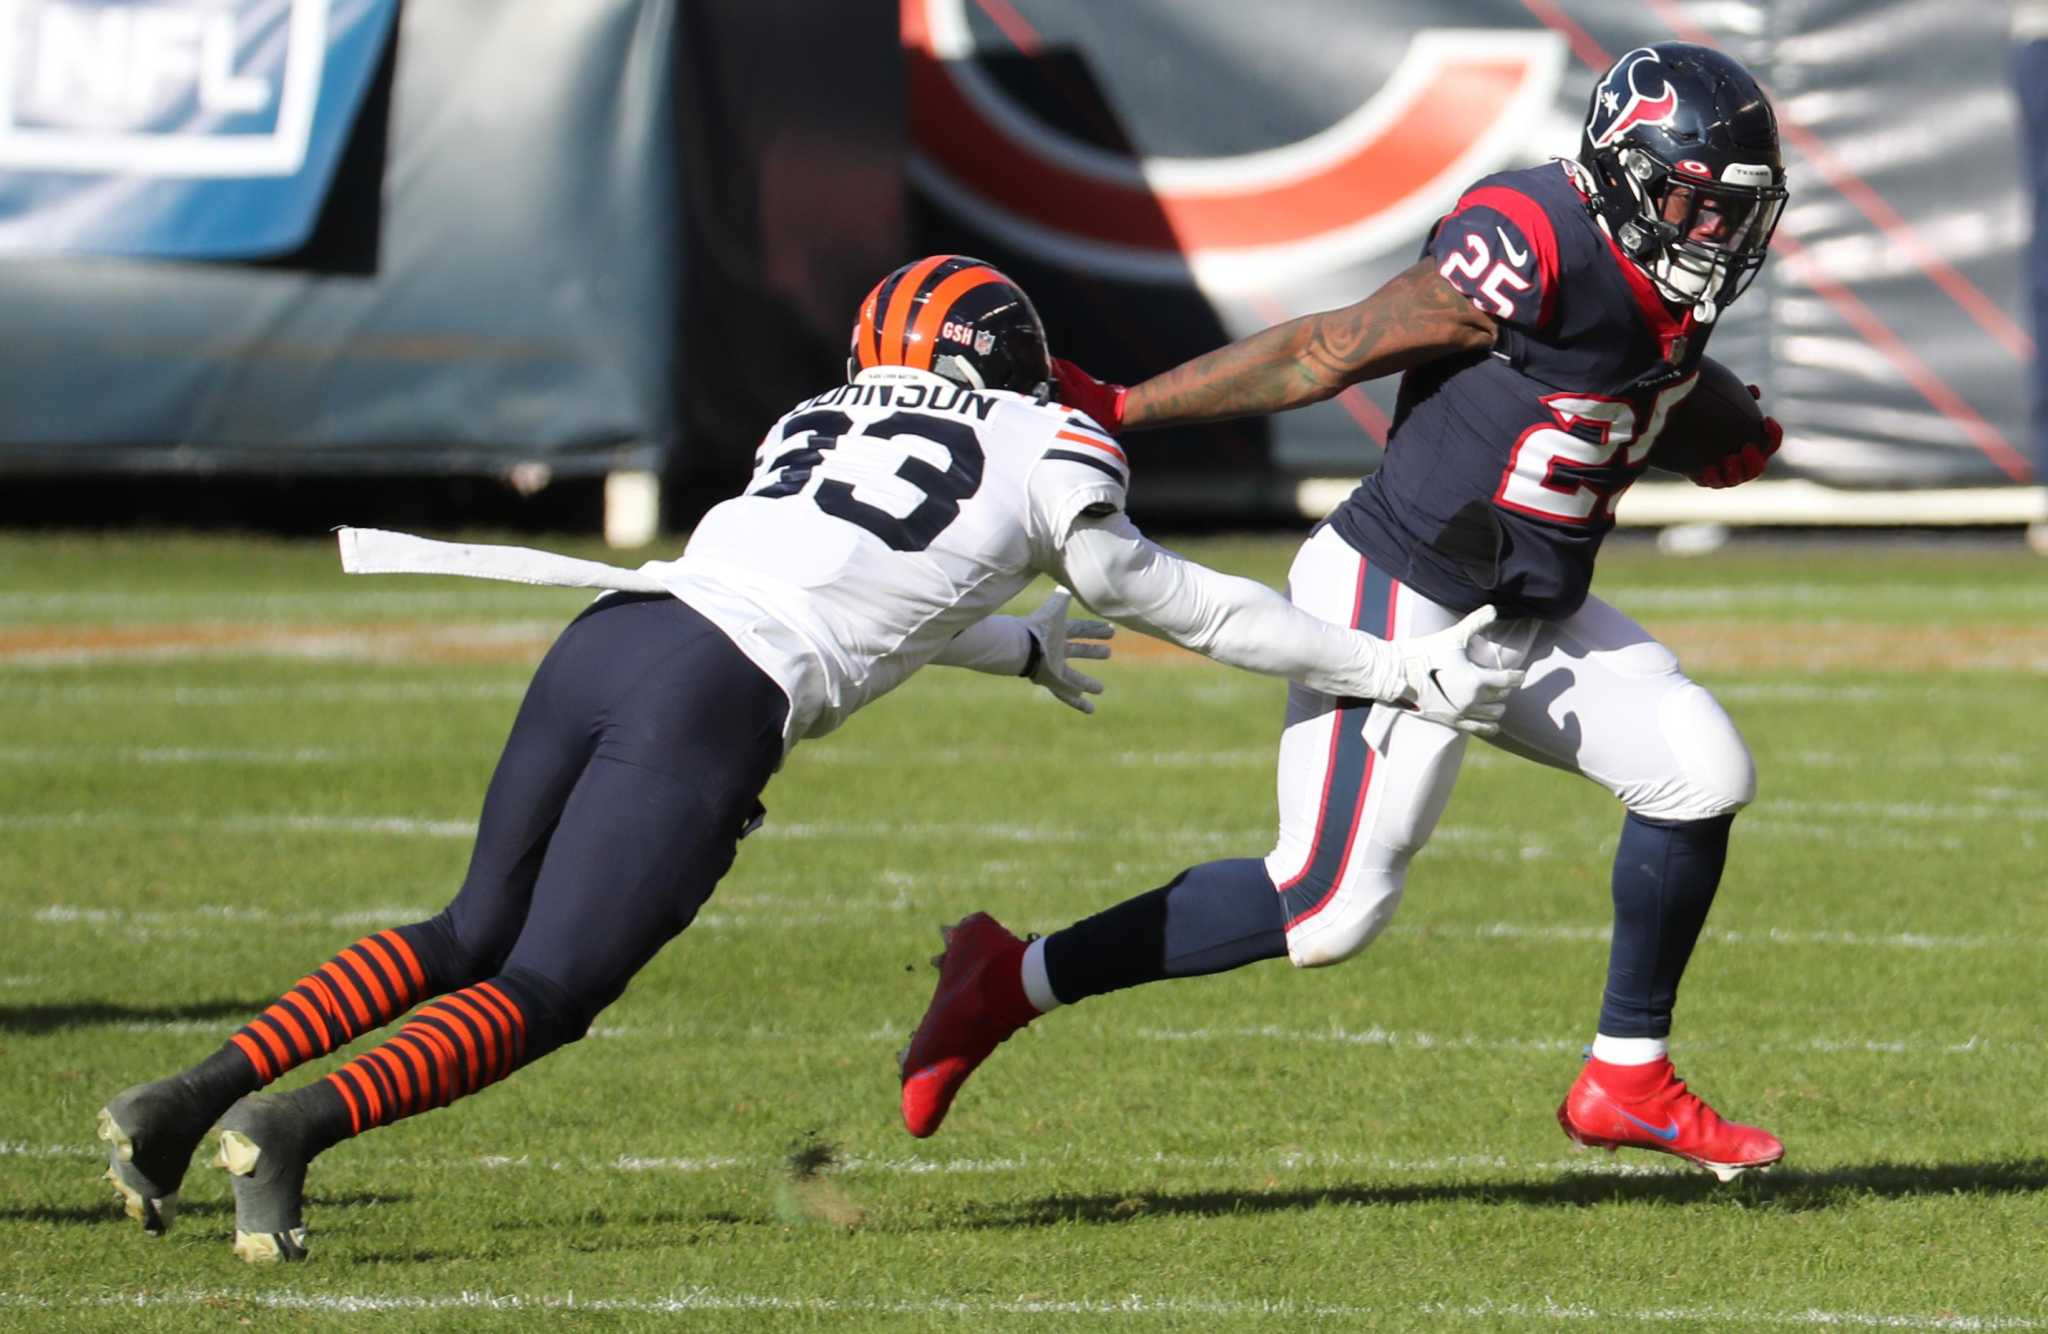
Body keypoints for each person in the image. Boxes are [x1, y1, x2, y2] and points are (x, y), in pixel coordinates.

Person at [95, 254, 1520, 1262]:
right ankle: (293, 1130)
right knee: (546, 987)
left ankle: (186, 1097)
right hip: (710, 702)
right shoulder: (1050, 441)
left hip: (618, 630)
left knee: (466, 925)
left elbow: (849, 581)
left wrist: (1011, 645)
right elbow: (1165, 596)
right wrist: (1391, 665)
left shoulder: (814, 416)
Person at [898, 43, 1793, 1181]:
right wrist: (1122, 405)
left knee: (1699, 770)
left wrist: (1720, 427)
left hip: (1517, 605)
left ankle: (1624, 1074)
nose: (1711, 234)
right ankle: (1003, 979)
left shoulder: (1660, 270)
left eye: (1733, 213)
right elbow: (1328, 350)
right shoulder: (1531, 240)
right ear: (1621, 173)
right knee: (1323, 906)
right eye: (1690, 203)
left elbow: (1631, 372)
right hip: (1398, 588)